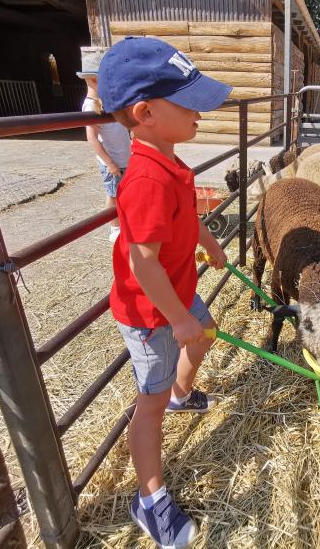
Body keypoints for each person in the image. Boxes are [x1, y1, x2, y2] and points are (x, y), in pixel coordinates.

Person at [97, 37, 231, 548]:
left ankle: (181, 393)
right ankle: (149, 499)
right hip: (151, 313)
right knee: (146, 405)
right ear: (146, 112)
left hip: (177, 292)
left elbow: (187, 216)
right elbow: (141, 260)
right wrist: (176, 318)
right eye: (189, 101)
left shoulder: (171, 163)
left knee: (207, 333)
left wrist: (209, 243)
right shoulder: (146, 179)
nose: (201, 111)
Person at [78, 48, 132, 243]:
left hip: (124, 157)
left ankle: (125, 223)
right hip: (113, 161)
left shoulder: (107, 104)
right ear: (94, 80)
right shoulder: (90, 106)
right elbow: (92, 138)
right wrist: (109, 162)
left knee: (125, 193)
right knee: (113, 194)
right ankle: (114, 228)